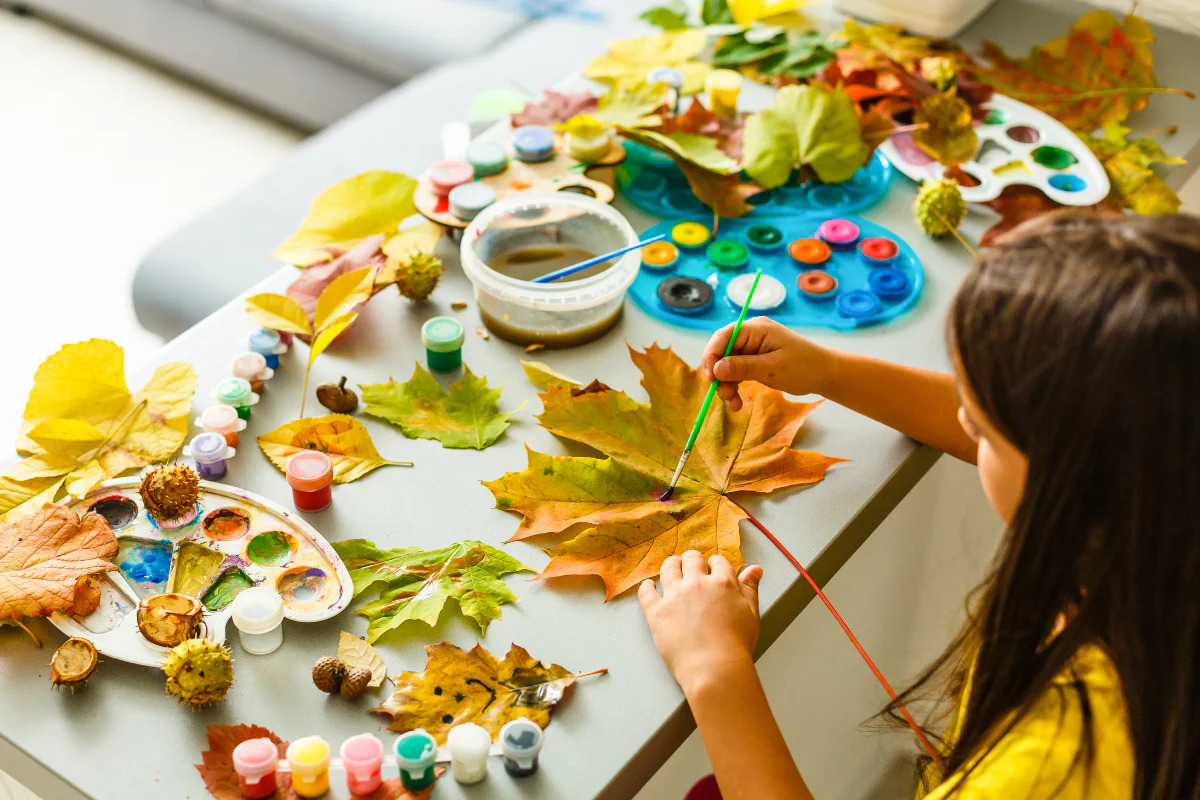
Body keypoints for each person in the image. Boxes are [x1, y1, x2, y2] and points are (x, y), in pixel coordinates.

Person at [639, 211, 1200, 800]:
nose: (960, 418)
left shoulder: (1058, 763)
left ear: (1076, 477)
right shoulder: (1161, 501)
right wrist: (826, 370)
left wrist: (715, 671)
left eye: (980, 426)